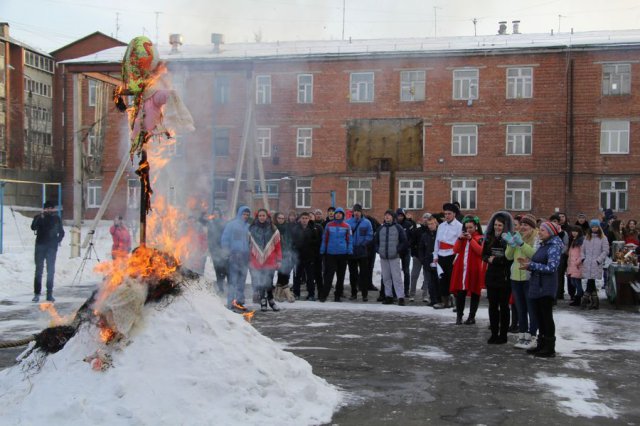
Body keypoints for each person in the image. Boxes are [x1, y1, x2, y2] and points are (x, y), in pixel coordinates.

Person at [518, 221, 563, 358]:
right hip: (537, 285)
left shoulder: (554, 246)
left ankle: (549, 347)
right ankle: (541, 343)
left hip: (546, 287)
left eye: (542, 230)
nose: (540, 232)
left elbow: (552, 268)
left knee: (546, 317)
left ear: (550, 232)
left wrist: (532, 266)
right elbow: (538, 261)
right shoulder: (544, 245)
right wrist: (528, 263)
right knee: (539, 316)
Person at [505, 213, 539, 350]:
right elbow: (508, 256)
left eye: (526, 225)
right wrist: (512, 244)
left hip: (528, 278)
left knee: (531, 308)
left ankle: (532, 335)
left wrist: (521, 244)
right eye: (522, 224)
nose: (523, 227)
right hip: (515, 277)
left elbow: (534, 254)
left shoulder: (536, 238)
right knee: (520, 308)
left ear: (532, 227)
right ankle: (522, 334)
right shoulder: (516, 236)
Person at [483, 211, 514, 344]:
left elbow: (509, 259)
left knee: (504, 306)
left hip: (504, 276)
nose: (497, 227)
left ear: (505, 226)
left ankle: (503, 334)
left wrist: (495, 260)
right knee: (492, 306)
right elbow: (484, 254)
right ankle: (494, 333)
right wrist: (489, 259)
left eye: (500, 225)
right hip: (491, 276)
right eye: (495, 225)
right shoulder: (489, 237)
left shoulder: (509, 239)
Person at [450, 215, 484, 325]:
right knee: (460, 293)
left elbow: (480, 252)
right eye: (466, 227)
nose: (468, 230)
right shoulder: (462, 238)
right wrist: (460, 239)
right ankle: (459, 316)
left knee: (475, 292)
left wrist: (471, 239)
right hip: (461, 269)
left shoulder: (480, 238)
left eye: (470, 227)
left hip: (474, 269)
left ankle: (471, 317)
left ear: (476, 227)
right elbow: (455, 250)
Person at [31, 200, 65, 302]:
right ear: (44, 209)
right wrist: (39, 217)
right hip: (40, 246)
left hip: (51, 248)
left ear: (53, 209)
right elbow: (33, 227)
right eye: (47, 208)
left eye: (51, 208)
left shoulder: (56, 218)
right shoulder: (39, 217)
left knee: (50, 271)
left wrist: (57, 241)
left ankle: (49, 294)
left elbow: (62, 232)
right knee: (38, 271)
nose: (49, 210)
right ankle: (37, 294)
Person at [249, 208, 282, 312]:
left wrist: (279, 259)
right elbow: (249, 246)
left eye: (263, 215)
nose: (262, 217)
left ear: (267, 216)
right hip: (256, 260)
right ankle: (263, 300)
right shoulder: (252, 229)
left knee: (269, 281)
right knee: (261, 281)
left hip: (270, 259)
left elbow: (278, 246)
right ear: (257, 217)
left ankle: (271, 300)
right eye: (260, 216)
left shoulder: (273, 229)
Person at [374, 209, 409, 305]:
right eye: (386, 215)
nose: (387, 217)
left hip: (394, 257)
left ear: (393, 217)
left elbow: (404, 241)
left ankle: (400, 297)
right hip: (383, 257)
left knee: (396, 277)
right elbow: (375, 241)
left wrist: (397, 250)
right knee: (386, 278)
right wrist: (379, 250)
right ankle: (388, 296)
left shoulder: (398, 228)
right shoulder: (380, 228)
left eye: (389, 215)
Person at [220, 205, 251, 310]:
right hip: (234, 256)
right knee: (233, 280)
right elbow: (225, 239)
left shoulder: (248, 226)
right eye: (244, 214)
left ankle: (240, 301)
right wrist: (227, 253)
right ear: (239, 214)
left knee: (242, 280)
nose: (245, 216)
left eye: (247, 214)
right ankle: (230, 303)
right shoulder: (231, 225)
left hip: (245, 256)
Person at [319, 207, 352, 302]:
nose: (338, 215)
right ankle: (324, 295)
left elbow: (350, 240)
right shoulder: (329, 225)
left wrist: (349, 251)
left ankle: (337, 295)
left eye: (340, 213)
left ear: (342, 215)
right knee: (328, 276)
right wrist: (322, 250)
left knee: (340, 277)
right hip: (331, 254)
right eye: (336, 213)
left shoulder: (347, 226)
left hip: (343, 254)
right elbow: (325, 239)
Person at [433, 203, 463, 309]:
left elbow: (460, 243)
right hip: (441, 255)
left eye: (449, 213)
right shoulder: (441, 226)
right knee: (442, 279)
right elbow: (437, 241)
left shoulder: (459, 226)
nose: (447, 216)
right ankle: (444, 301)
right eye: (445, 214)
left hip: (452, 255)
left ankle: (456, 302)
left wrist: (457, 256)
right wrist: (435, 255)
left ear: (454, 214)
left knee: (453, 279)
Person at [346, 204, 373, 302]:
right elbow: (346, 236)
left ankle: (364, 294)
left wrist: (363, 244)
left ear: (361, 212)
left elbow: (370, 235)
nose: (356, 212)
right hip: (351, 251)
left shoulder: (367, 223)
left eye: (358, 211)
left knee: (364, 274)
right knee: (353, 274)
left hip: (362, 251)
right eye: (355, 211)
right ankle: (353, 293)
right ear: (353, 212)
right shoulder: (348, 223)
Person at [580, 219, 609, 310]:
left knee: (591, 281)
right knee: (590, 281)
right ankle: (595, 303)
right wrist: (583, 258)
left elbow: (605, 251)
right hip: (588, 263)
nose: (594, 228)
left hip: (596, 263)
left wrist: (598, 260)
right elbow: (582, 250)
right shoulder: (587, 237)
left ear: (599, 227)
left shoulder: (603, 238)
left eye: (596, 227)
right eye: (593, 227)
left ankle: (585, 300)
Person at [292, 212, 321, 301]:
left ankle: (311, 294)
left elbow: (317, 241)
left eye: (306, 218)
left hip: (310, 256)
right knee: (297, 277)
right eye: (303, 218)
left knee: (310, 277)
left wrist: (310, 246)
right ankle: (296, 293)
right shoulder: (296, 228)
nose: (304, 220)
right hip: (299, 257)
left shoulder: (313, 228)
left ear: (309, 219)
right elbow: (292, 242)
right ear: (300, 219)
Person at [203, 207, 228, 294]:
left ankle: (224, 285)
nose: (216, 214)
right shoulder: (210, 223)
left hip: (223, 249)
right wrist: (210, 247)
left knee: (224, 268)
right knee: (217, 269)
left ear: (220, 214)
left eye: (217, 213)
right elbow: (209, 237)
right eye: (214, 213)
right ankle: (220, 287)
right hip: (214, 249)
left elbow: (226, 235)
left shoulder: (224, 223)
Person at [417, 214, 440, 305]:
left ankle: (440, 299)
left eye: (432, 224)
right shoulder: (425, 235)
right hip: (428, 262)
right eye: (429, 224)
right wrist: (422, 259)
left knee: (438, 282)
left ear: (436, 224)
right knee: (430, 283)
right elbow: (421, 248)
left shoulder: (440, 234)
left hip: (438, 261)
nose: (431, 226)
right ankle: (433, 299)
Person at [408, 212, 431, 302]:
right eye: (424, 218)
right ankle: (412, 294)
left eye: (428, 218)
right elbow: (412, 243)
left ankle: (425, 295)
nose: (426, 220)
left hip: (427, 258)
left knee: (427, 277)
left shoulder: (432, 231)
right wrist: (413, 254)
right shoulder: (417, 230)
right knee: (414, 275)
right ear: (422, 219)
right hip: (417, 257)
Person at [395, 208, 415, 298]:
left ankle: (406, 290)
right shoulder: (394, 225)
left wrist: (407, 245)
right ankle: (396, 289)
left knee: (406, 271)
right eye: (398, 215)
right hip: (397, 250)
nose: (400, 217)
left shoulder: (408, 224)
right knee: (395, 271)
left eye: (401, 216)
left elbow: (412, 237)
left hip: (406, 250)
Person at [567, 226, 585, 307]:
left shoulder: (581, 241)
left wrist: (577, 262)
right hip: (572, 265)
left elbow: (583, 254)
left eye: (576, 231)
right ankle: (584, 296)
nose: (574, 233)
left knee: (577, 283)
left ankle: (578, 299)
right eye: (573, 231)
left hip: (577, 265)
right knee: (573, 282)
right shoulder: (573, 240)